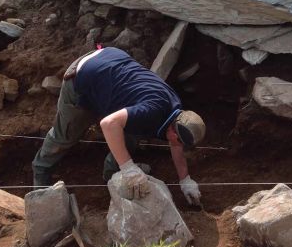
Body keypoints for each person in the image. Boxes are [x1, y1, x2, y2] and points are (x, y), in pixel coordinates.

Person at [32, 46, 205, 205]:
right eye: (179, 140)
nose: (179, 145)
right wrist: (129, 168)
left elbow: (175, 145)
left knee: (133, 133)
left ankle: (112, 175)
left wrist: (185, 180)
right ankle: (41, 173)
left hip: (110, 63)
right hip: (83, 77)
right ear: (173, 129)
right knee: (65, 136)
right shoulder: (151, 111)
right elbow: (108, 124)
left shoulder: (175, 110)